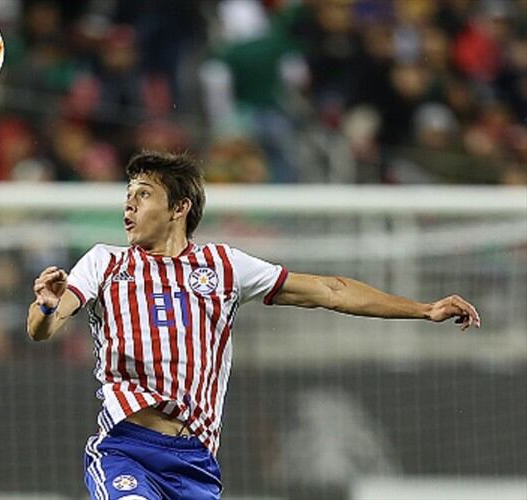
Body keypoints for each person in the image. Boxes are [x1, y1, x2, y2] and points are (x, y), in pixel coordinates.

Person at [25, 151, 480, 500]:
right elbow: (44, 327)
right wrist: (45, 306)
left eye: (142, 194)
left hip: (193, 461)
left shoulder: (223, 266)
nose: (129, 205)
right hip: (125, 446)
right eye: (128, 195)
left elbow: (331, 291)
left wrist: (422, 309)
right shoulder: (105, 262)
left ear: (178, 207)